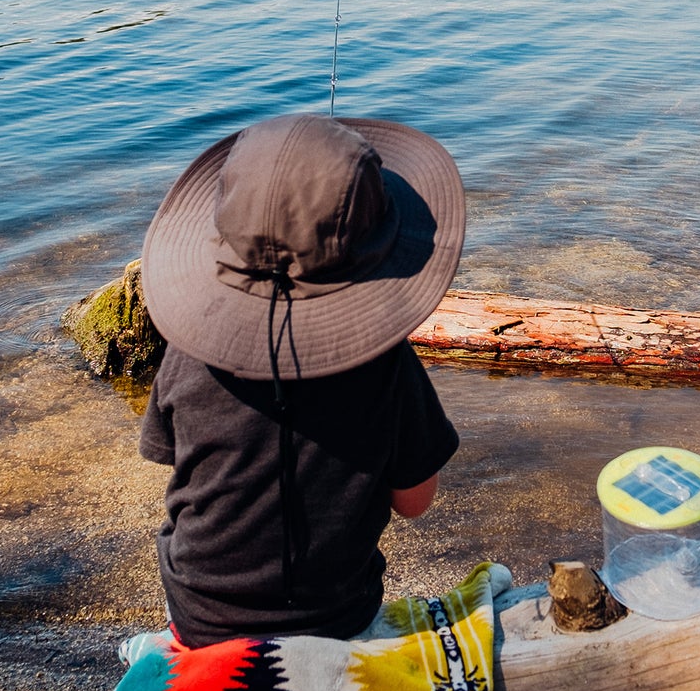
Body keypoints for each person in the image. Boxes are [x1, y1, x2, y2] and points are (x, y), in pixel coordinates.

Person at [136, 112, 465, 647]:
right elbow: (414, 501)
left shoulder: (189, 348)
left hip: (197, 615)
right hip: (338, 617)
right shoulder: (387, 366)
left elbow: (170, 455)